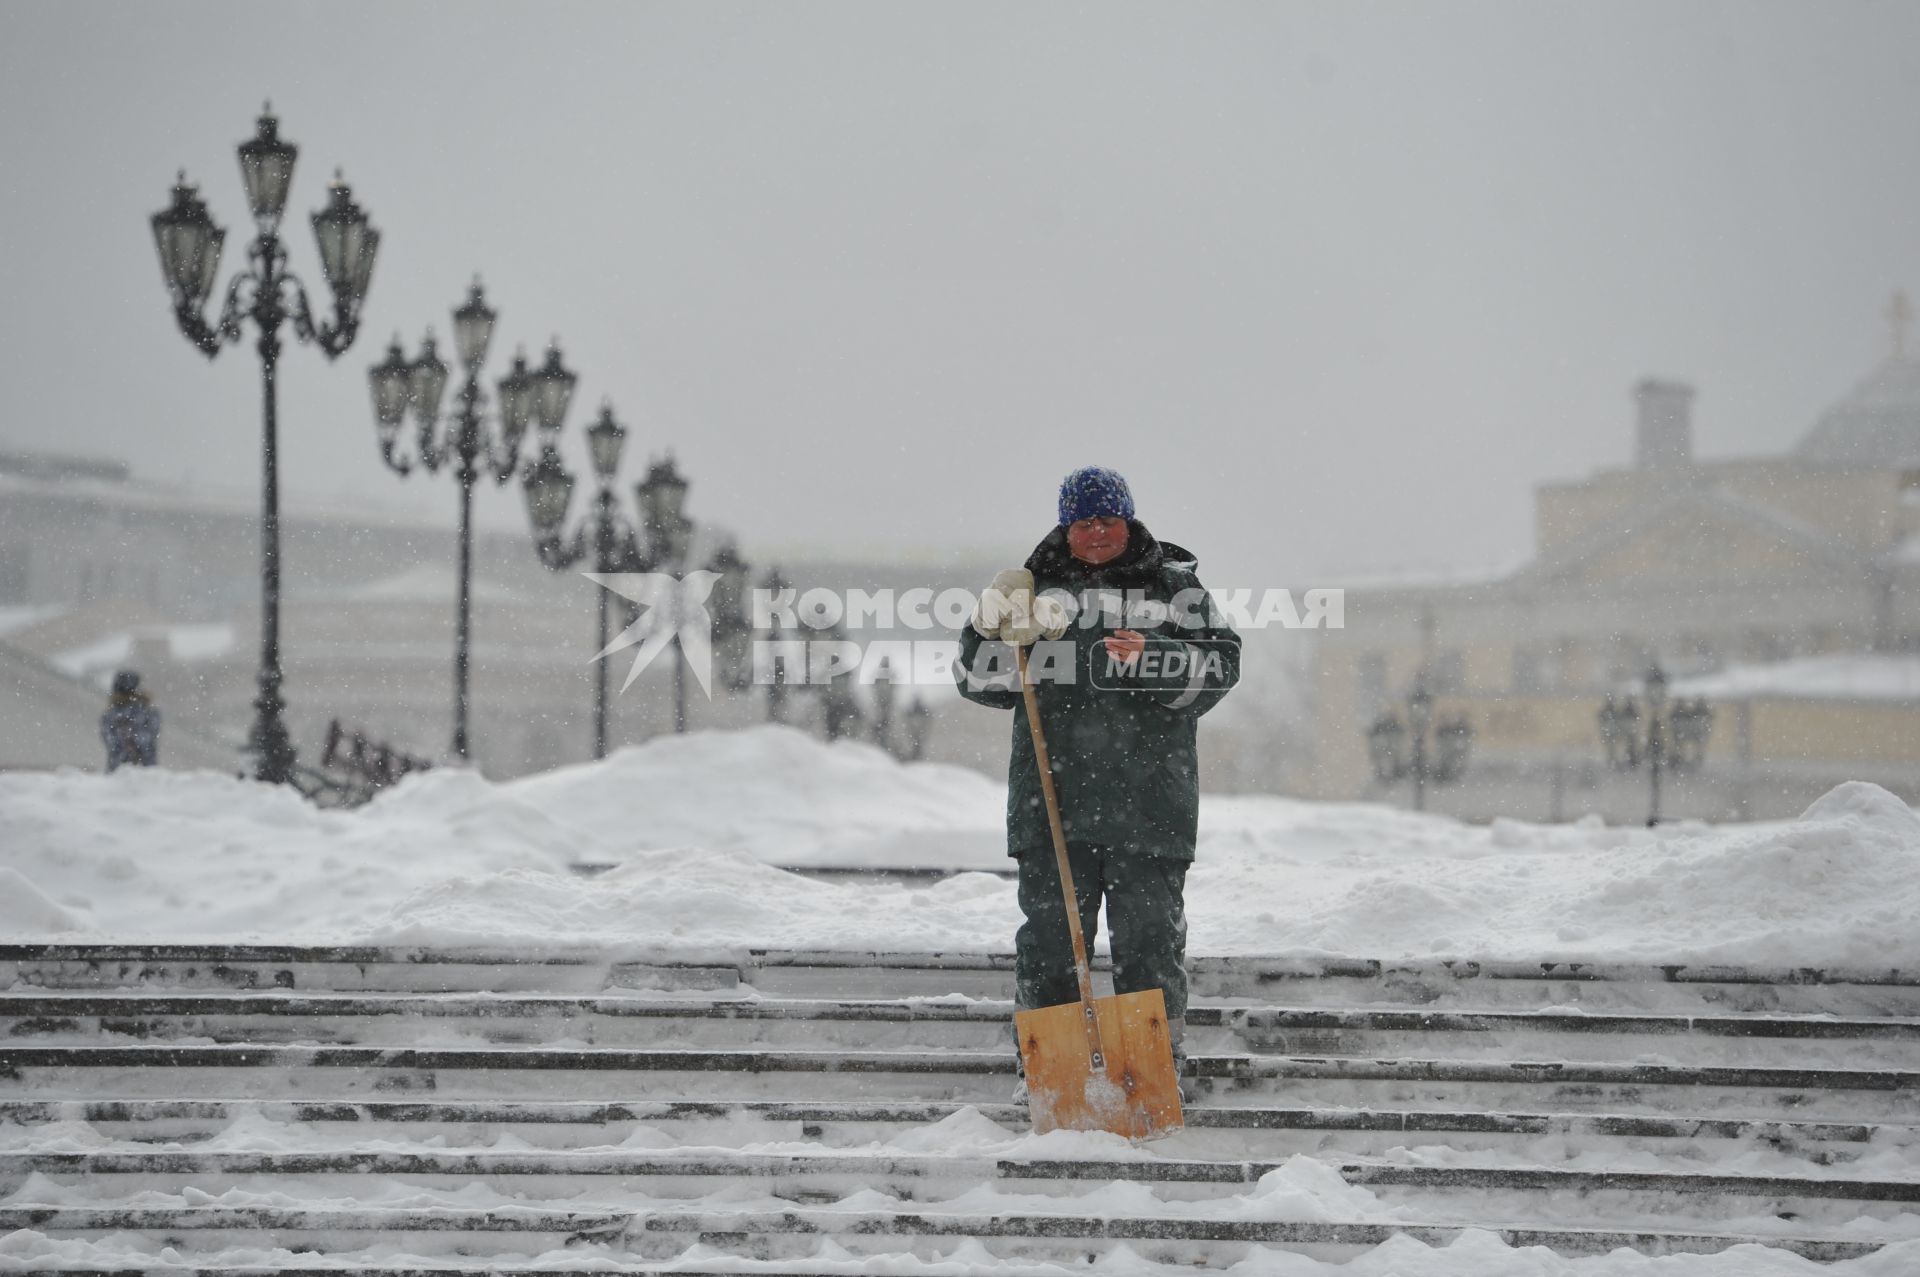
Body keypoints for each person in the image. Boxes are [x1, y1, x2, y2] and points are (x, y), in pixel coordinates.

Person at [953, 466, 1240, 1094]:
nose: (1098, 530)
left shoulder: (1176, 586)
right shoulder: (1034, 588)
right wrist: (984, 631)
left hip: (1150, 806)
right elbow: (982, 684)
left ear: (1130, 519)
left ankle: (1150, 1080)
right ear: (1067, 526)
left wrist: (1156, 657)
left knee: (1148, 949)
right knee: (1052, 948)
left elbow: (1221, 667)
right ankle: (1054, 1083)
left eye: (1108, 518)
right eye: (1084, 521)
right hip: (1054, 802)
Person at [100, 670, 161, 772]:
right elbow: (149, 737)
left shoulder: (111, 713)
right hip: (144, 769)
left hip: (121, 768)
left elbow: (110, 739)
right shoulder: (147, 711)